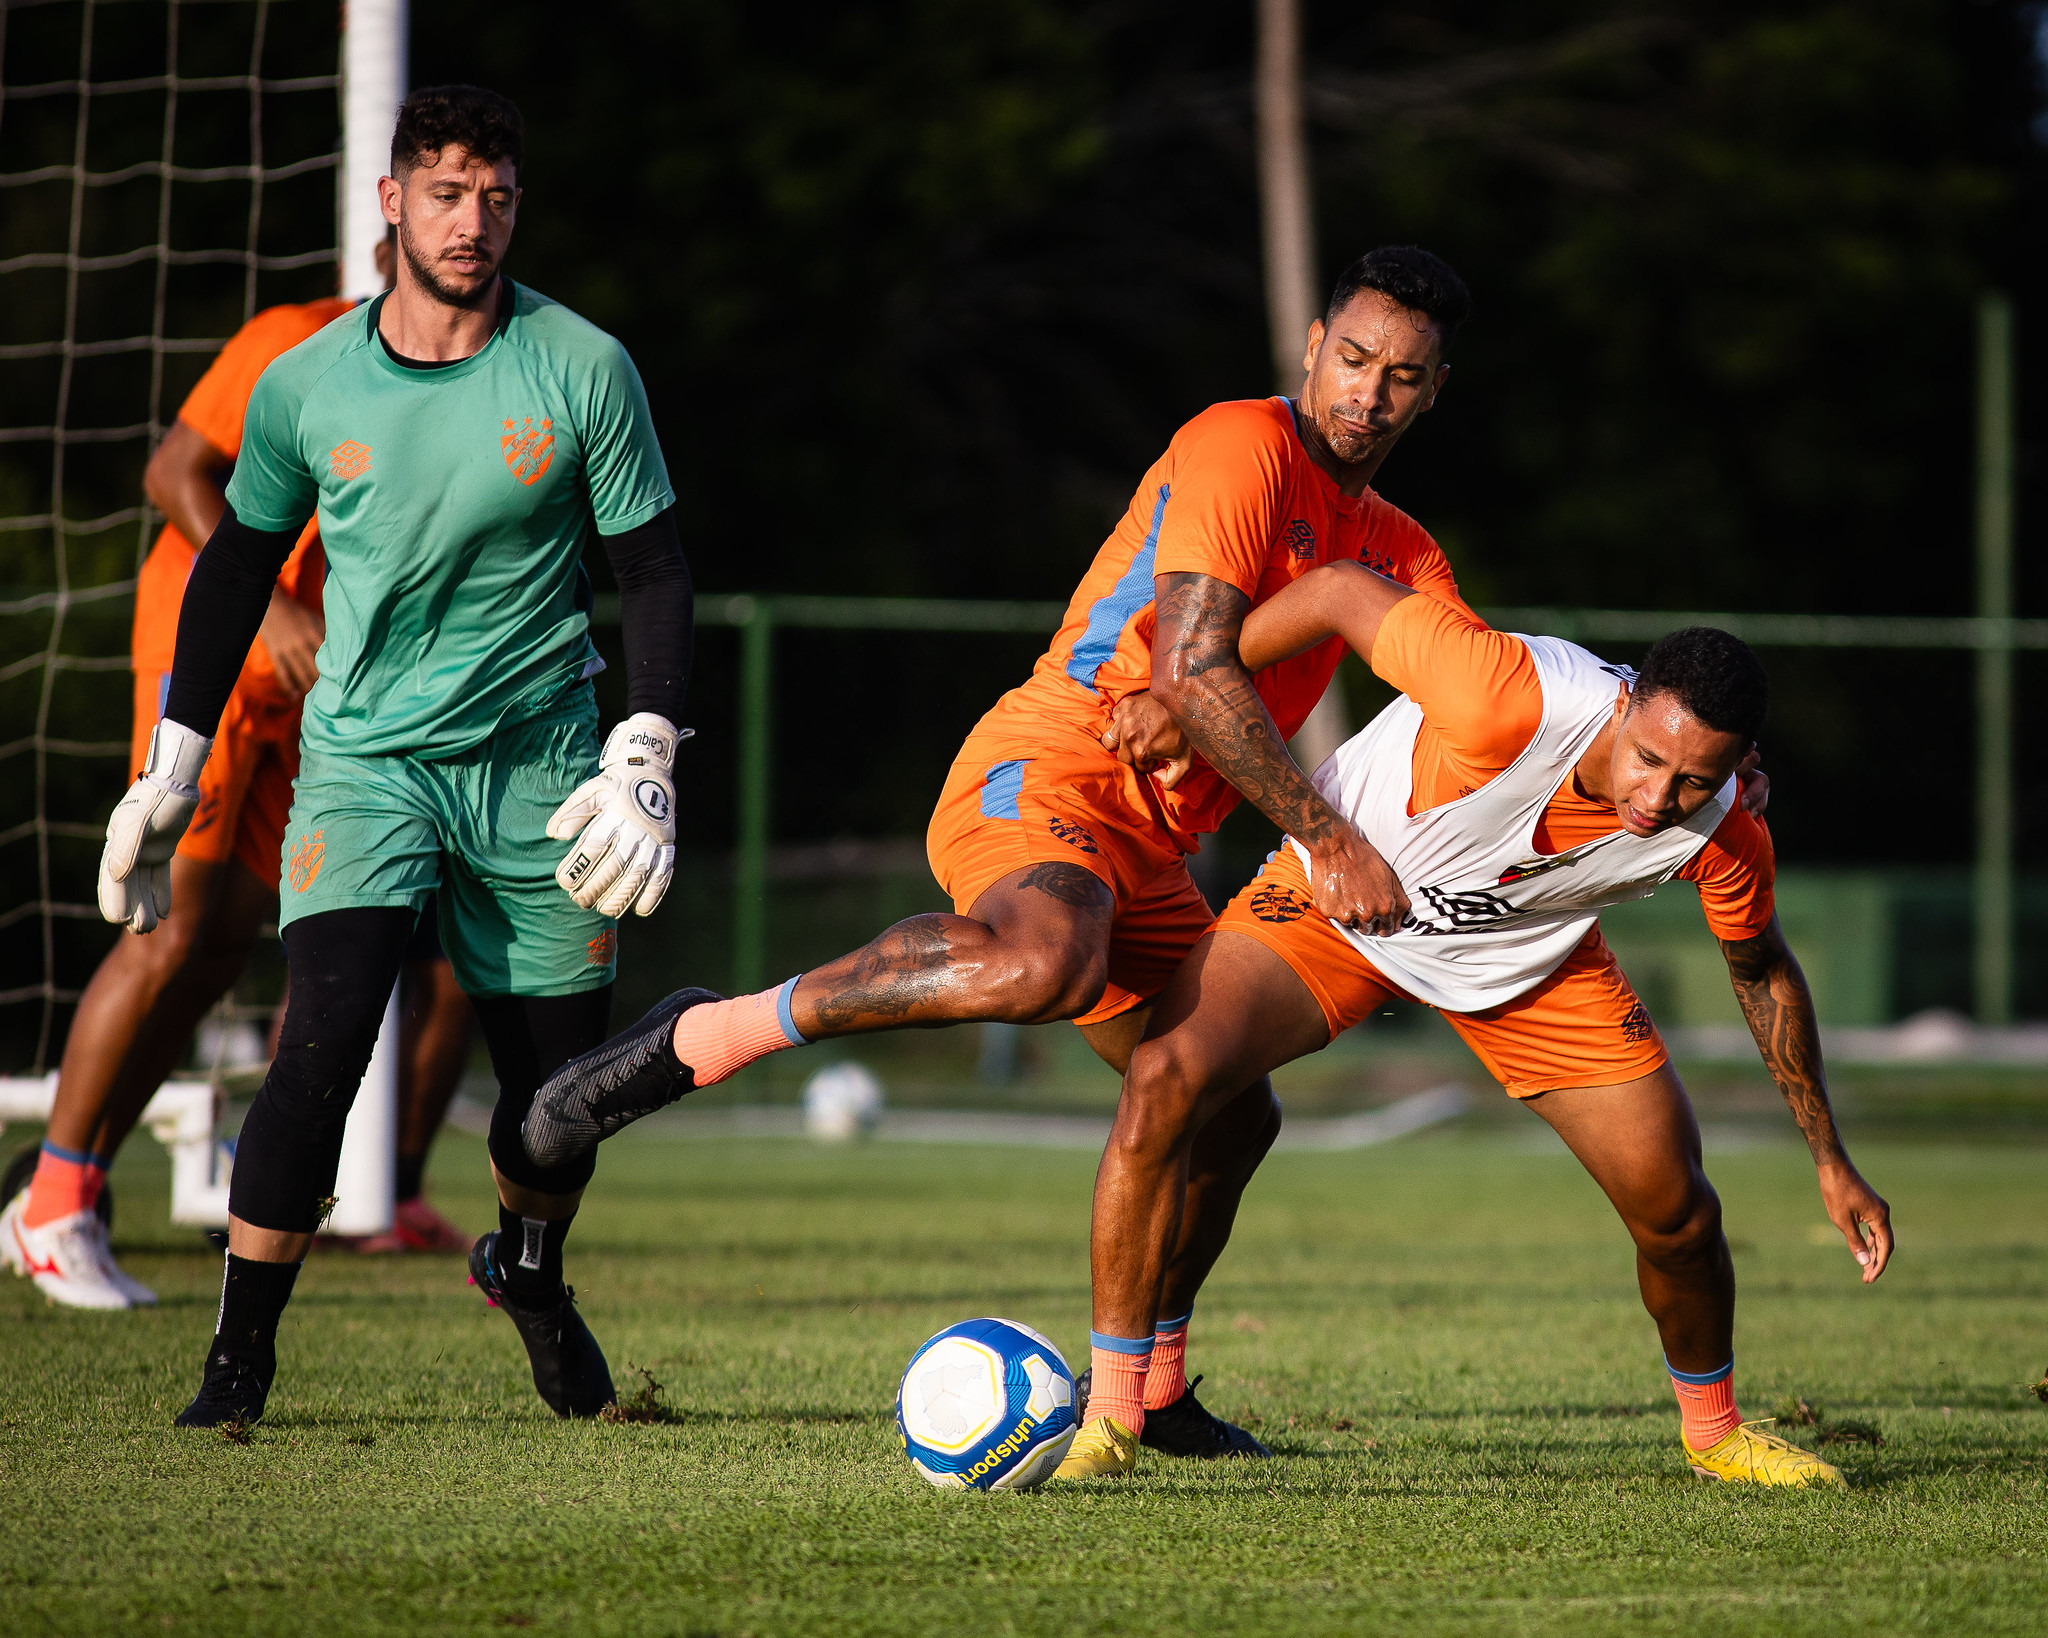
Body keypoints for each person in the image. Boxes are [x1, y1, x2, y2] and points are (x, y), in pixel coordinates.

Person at [523, 247, 1481, 1460]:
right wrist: (1326, 836)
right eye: (1351, 359)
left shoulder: (1403, 548)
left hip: (1154, 849)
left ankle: (1148, 1392)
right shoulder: (1245, 442)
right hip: (1055, 761)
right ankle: (704, 1036)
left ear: (1433, 391)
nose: (1368, 393)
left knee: (1232, 1112)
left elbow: (1479, 703)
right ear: (1308, 345)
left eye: (1402, 376)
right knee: (1044, 966)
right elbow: (1189, 663)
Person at [95, 84, 693, 1428]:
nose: (468, 221)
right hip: (365, 763)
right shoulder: (308, 382)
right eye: (441, 191)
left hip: (542, 767)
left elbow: (651, 565)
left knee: (553, 1106)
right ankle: (236, 1366)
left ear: (517, 206)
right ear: (391, 204)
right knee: (322, 1046)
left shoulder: (585, 367)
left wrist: (644, 740)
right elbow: (239, 556)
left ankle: (530, 1273)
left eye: (491, 195)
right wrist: (174, 756)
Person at [1050, 561, 1892, 1483]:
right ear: (1625, 711)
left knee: (1680, 1214)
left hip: (1525, 960)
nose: (1657, 802)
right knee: (1167, 1078)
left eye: (1696, 781)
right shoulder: (1502, 694)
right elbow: (1333, 588)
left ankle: (1718, 1436)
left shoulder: (1728, 829)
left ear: (1739, 770)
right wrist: (1185, 687)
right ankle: (1116, 1413)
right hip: (1342, 895)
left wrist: (1828, 1157)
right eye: (1648, 761)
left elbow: (1762, 971)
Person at [1, 237, 474, 1309]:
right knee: (166, 927)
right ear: (386, 243)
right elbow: (173, 471)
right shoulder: (293, 339)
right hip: (206, 647)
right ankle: (52, 1208)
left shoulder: (458, 390)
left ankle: (64, 1187)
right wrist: (264, 601)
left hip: (305, 681)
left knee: (219, 945)